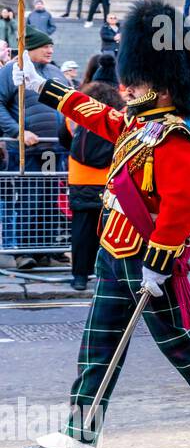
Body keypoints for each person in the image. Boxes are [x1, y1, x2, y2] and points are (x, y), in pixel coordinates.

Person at [14, 0, 190, 448]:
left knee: (178, 343)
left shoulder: (173, 137)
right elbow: (96, 115)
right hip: (115, 252)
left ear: (163, 89)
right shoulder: (137, 122)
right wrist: (43, 87)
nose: (128, 88)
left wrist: (159, 263)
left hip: (150, 259)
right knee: (97, 345)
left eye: (139, 81)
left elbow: (181, 207)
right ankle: (81, 434)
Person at [0, 25, 69, 267]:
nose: (50, 50)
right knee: (28, 198)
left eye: (51, 45)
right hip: (25, 149)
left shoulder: (55, 72)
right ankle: (23, 250)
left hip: (52, 148)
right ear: (29, 49)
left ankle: (45, 247)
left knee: (49, 198)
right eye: (45, 46)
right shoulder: (11, 71)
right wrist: (18, 132)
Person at [60, 63, 122, 291]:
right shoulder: (120, 113)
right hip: (110, 181)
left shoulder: (76, 114)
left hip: (80, 179)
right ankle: (105, 276)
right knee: (108, 231)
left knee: (81, 230)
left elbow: (64, 140)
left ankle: (79, 276)